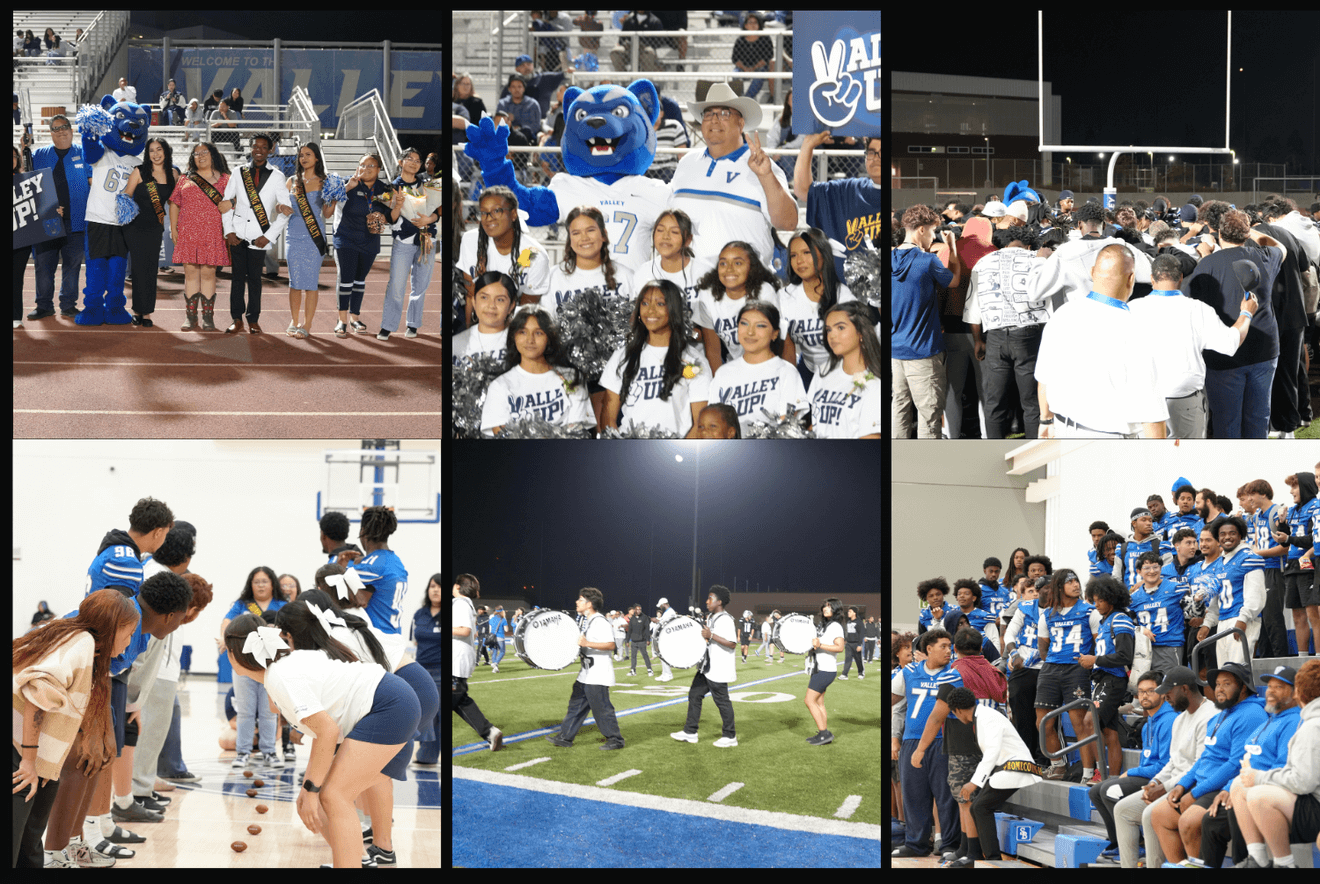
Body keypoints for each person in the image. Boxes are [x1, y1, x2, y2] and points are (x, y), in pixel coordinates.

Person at [224, 614, 420, 868]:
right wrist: (308, 789)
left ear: (232, 655)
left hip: (390, 707)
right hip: (393, 702)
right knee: (319, 799)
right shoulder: (284, 666)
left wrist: (311, 789)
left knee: (333, 795)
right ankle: (355, 861)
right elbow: (325, 733)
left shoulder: (280, 676)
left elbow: (327, 731)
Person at [944, 686, 1043, 867]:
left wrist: (973, 783)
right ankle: (986, 858)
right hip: (1006, 768)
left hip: (1015, 767)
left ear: (957, 710)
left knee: (980, 808)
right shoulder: (983, 716)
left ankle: (992, 860)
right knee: (978, 808)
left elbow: (991, 753)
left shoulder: (986, 718)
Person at [546, 587, 624, 749]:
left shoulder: (600, 622)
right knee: (576, 705)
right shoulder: (588, 620)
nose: (577, 602)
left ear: (589, 604)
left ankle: (616, 739)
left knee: (602, 708)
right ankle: (565, 737)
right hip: (586, 674)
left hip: (598, 674)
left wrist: (587, 643)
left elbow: (611, 645)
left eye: (580, 599)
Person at [671, 585, 738, 746]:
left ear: (719, 602)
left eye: (710, 599)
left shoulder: (725, 619)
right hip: (707, 666)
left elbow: (732, 643)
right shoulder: (712, 617)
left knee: (722, 701)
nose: (707, 601)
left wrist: (711, 635)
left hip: (719, 667)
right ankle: (690, 732)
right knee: (694, 695)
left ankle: (730, 736)